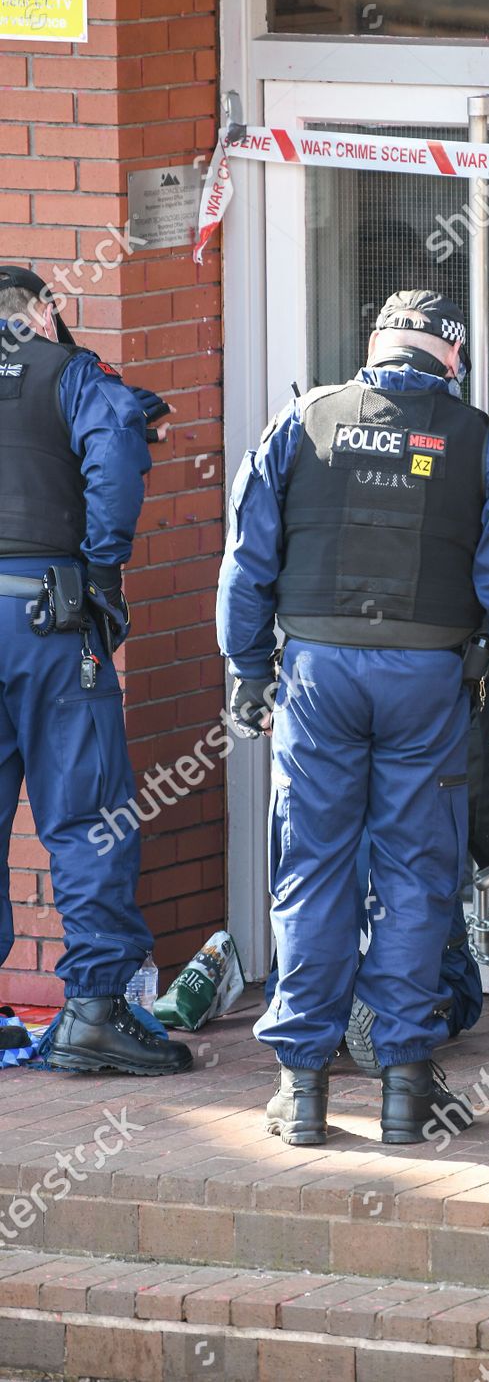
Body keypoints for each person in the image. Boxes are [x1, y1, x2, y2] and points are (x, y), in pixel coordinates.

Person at [217, 289, 489, 1146]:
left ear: (375, 349)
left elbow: (248, 559)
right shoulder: (477, 439)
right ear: (451, 357)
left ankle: (302, 1092)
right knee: (414, 875)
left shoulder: (302, 421)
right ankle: (404, 1085)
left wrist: (247, 670)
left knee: (311, 871)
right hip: (426, 679)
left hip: (318, 676)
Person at [0, 266, 190, 1076]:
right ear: (42, 312)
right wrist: (103, 571)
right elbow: (114, 449)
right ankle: (94, 1012)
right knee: (88, 812)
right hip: (45, 616)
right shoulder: (69, 370)